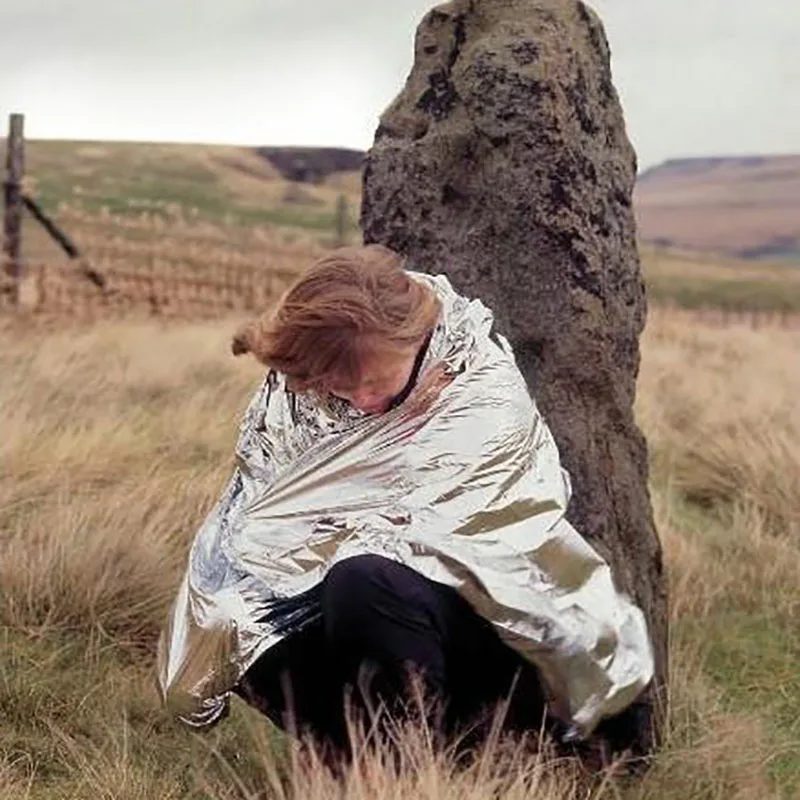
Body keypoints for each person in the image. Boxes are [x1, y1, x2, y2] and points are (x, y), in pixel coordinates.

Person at [157, 244, 653, 762]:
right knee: (240, 620)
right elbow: (255, 521)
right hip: (369, 639)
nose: (362, 401)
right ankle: (365, 761)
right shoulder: (298, 389)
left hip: (493, 637)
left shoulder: (479, 390)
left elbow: (492, 548)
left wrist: (336, 534)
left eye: (373, 382)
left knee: (365, 580)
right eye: (340, 387)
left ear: (412, 339)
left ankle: (414, 767)